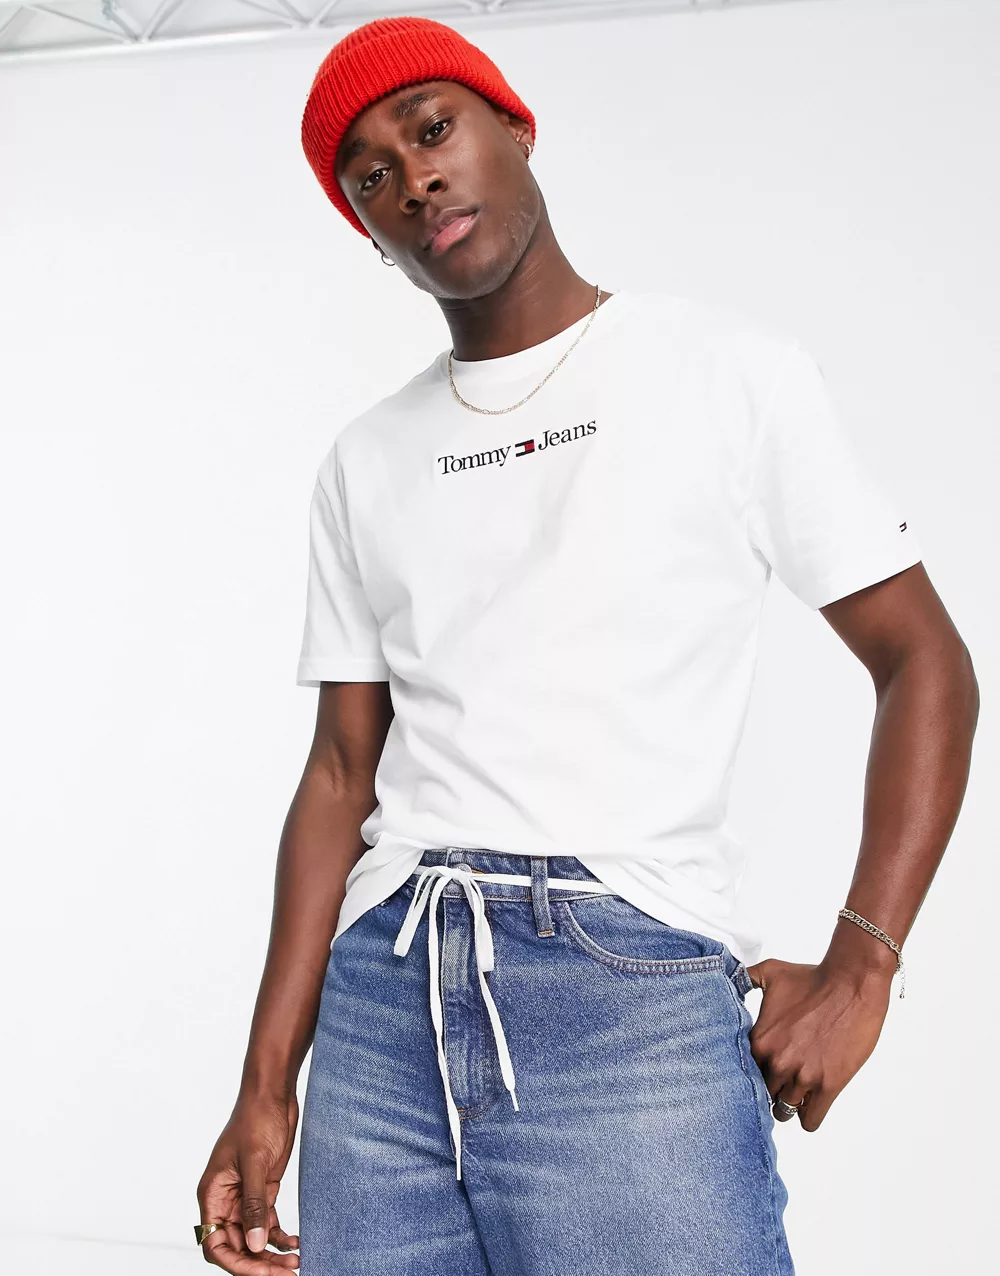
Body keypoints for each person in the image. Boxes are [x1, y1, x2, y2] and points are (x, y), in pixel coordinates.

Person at [194, 15, 979, 1275]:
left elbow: (922, 659)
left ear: (514, 126)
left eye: (433, 129)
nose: (415, 180)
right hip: (384, 1008)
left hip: (628, 999)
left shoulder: (727, 372)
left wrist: (862, 964)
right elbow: (341, 773)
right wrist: (264, 1084)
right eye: (373, 178)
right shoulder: (365, 459)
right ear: (370, 233)